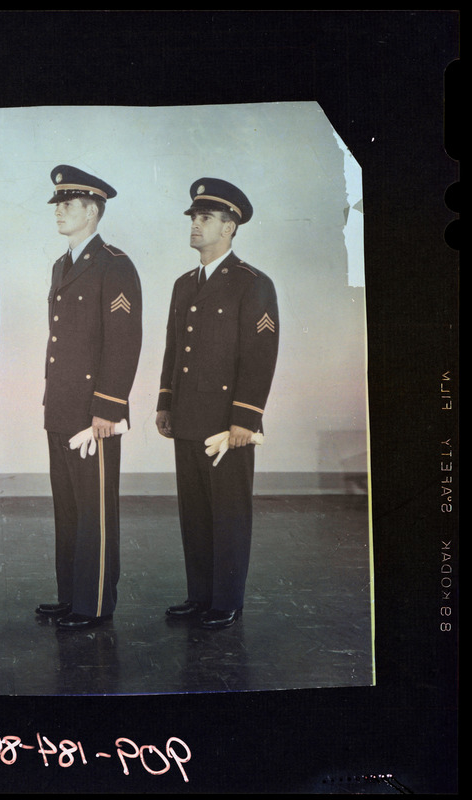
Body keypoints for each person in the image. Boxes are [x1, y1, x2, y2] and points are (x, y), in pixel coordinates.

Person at [155, 178, 279, 630]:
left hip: (227, 424)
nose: (195, 224)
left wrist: (247, 418)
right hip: (188, 417)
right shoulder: (184, 284)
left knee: (228, 512)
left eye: (205, 218)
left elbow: (260, 356)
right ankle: (199, 595)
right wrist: (165, 402)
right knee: (195, 514)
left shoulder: (252, 283)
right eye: (193, 216)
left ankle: (225, 599)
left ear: (229, 227)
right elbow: (174, 349)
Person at [37, 165, 142, 632]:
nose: (59, 211)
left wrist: (108, 408)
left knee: (95, 510)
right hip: (61, 406)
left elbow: (123, 341)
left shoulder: (114, 264)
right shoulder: (63, 264)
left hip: (92, 412)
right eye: (57, 204)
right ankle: (71, 596)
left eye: (69, 204)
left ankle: (95, 602)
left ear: (93, 211)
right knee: (70, 509)